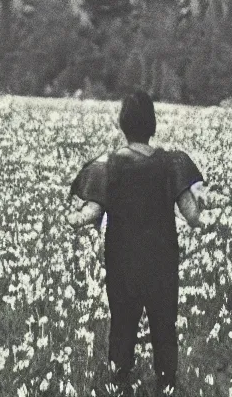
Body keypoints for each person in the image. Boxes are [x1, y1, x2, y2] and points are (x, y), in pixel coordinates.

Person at [67, 90, 220, 397]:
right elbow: (192, 215)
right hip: (161, 264)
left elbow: (92, 211)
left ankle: (119, 383)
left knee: (122, 327)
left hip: (123, 265)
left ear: (122, 125)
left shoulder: (107, 167)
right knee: (164, 327)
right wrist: (212, 218)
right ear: (152, 125)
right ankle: (166, 385)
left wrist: (73, 219)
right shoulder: (171, 164)